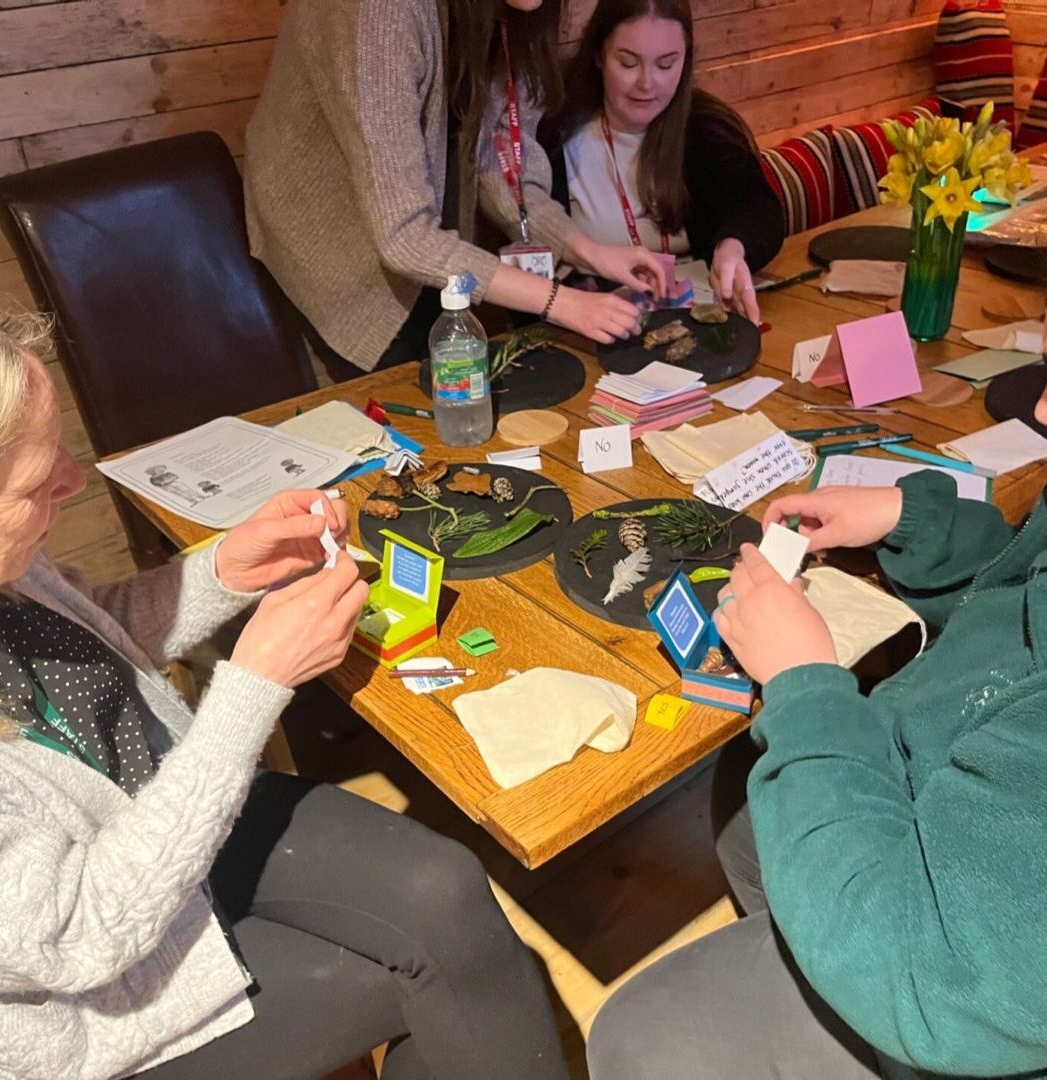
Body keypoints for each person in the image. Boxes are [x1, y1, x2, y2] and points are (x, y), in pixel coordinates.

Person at [0, 297, 570, 1080]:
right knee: (429, 977)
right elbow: (81, 931)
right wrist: (255, 684)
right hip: (89, 1000)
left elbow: (90, 640)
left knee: (446, 889)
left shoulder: (0, 563)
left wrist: (223, 571)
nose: (74, 481)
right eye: (37, 479)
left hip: (163, 809)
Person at [587, 382, 1047, 1077]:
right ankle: (815, 939)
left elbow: (945, 984)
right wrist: (917, 522)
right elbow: (1021, 602)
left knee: (642, 1038)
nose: (1039, 409)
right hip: (943, 855)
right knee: (746, 792)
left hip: (944, 997)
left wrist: (804, 686)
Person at [245, 0, 670, 380]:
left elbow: (501, 156)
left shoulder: (520, 10)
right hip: (333, 249)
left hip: (424, 244)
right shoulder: (377, 11)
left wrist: (589, 251)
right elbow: (403, 236)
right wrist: (563, 302)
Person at [547, 0, 784, 323]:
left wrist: (732, 248)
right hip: (595, 326)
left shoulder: (705, 127)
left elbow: (758, 210)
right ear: (599, 55)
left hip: (697, 320)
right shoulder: (555, 135)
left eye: (666, 64)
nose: (647, 83)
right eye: (628, 63)